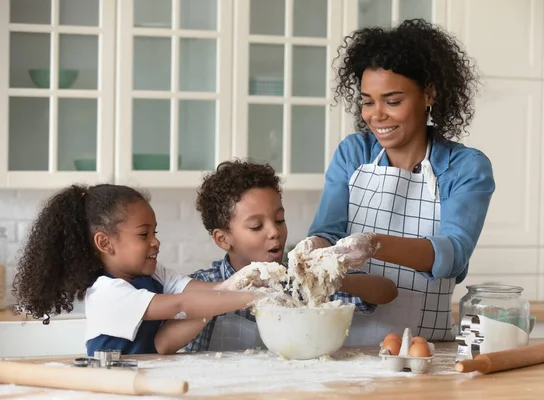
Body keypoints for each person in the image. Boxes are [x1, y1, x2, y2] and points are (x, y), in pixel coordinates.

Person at [294, 19, 495, 344]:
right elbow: (329, 231)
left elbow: (454, 255)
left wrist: (373, 245)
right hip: (343, 343)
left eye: (393, 101)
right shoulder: (353, 153)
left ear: (428, 93)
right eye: (367, 101)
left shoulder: (464, 167)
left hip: (424, 346)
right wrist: (315, 244)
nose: (376, 115)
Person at [12, 184, 265, 356]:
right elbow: (180, 305)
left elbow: (166, 339)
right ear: (105, 243)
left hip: (151, 370)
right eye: (143, 234)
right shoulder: (107, 293)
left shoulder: (153, 274)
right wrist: (253, 298)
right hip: (114, 387)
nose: (155, 241)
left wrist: (249, 279)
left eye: (154, 232)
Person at [185, 160, 398, 352]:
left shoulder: (300, 282)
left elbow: (386, 292)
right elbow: (183, 357)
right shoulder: (205, 283)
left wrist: (329, 274)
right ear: (223, 239)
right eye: (256, 226)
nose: (274, 232)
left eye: (279, 220)